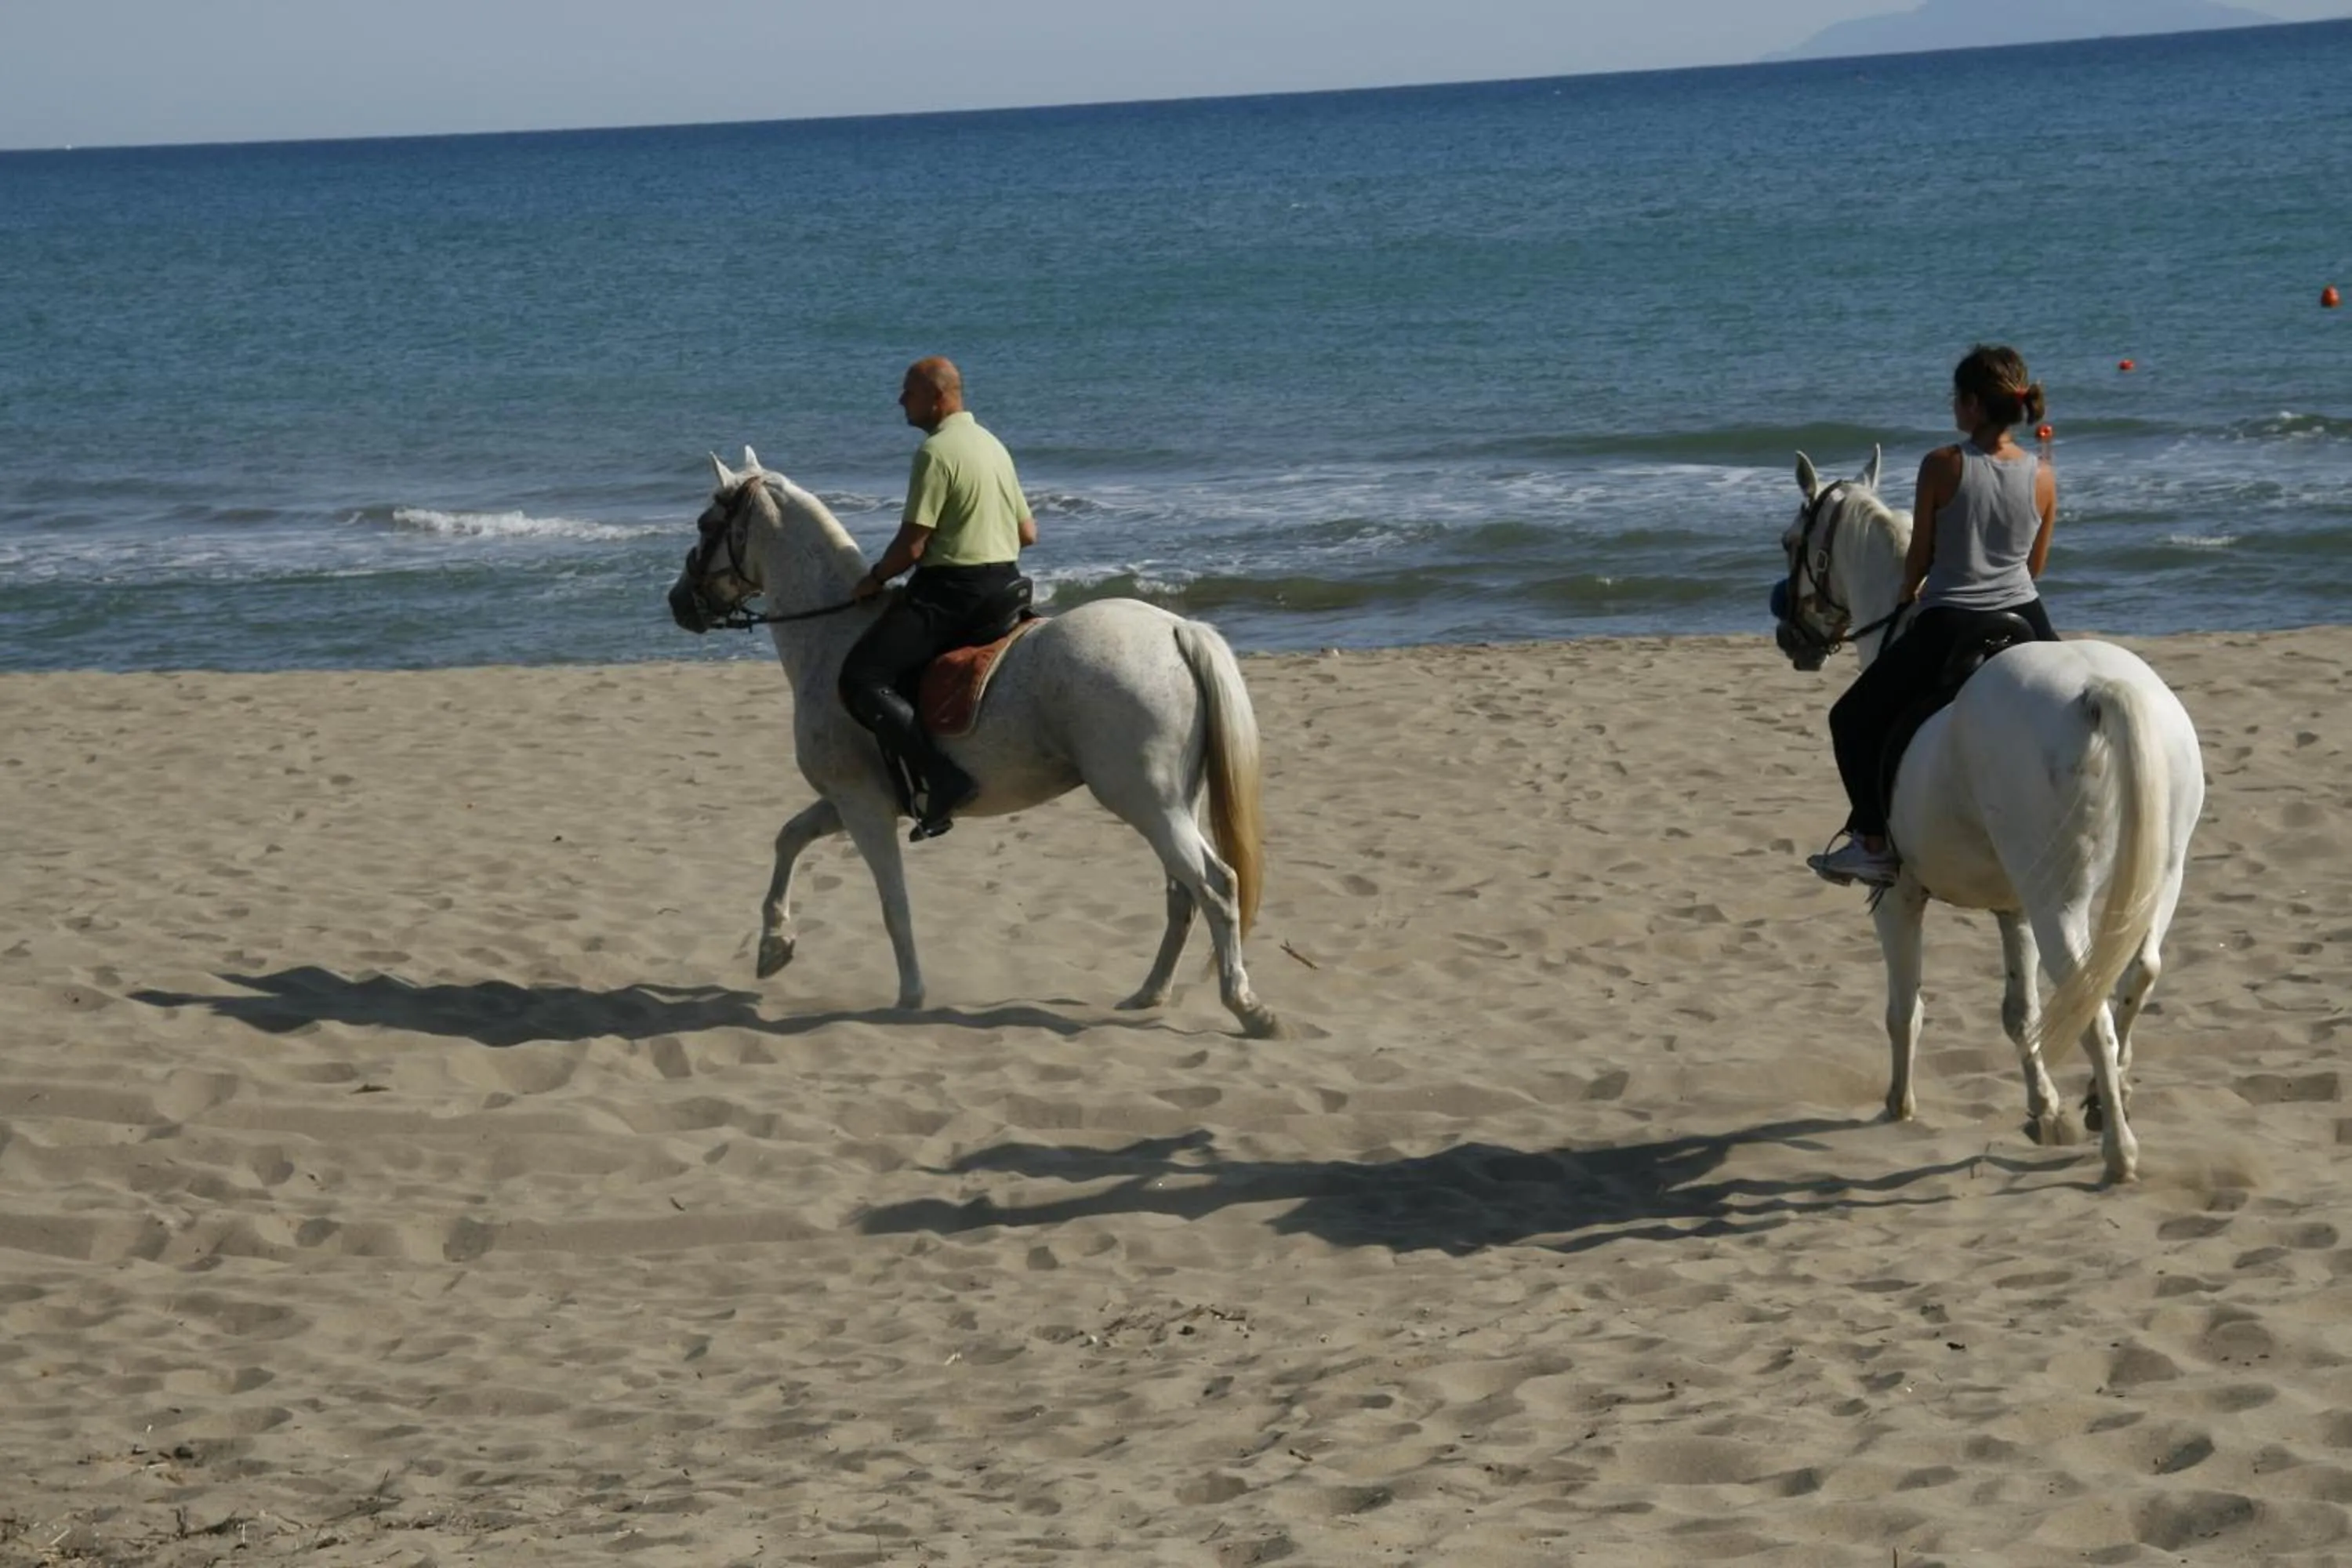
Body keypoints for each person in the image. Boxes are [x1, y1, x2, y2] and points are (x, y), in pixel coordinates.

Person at [1809, 344, 2063, 887]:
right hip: (2026, 612)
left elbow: (1920, 555)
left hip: (1953, 619)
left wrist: (1908, 594)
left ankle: (1871, 844)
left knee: (1851, 719)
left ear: (1971, 405)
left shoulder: (1943, 465)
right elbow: (2034, 566)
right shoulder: (2042, 474)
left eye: (1956, 398)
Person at [838, 355, 1039, 840]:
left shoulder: (936, 452)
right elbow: (1028, 532)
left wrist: (874, 579)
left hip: (954, 593)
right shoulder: (992, 445)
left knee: (861, 677)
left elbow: (912, 546)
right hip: (1006, 584)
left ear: (937, 395)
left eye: (908, 391)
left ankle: (943, 779)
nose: (900, 400)